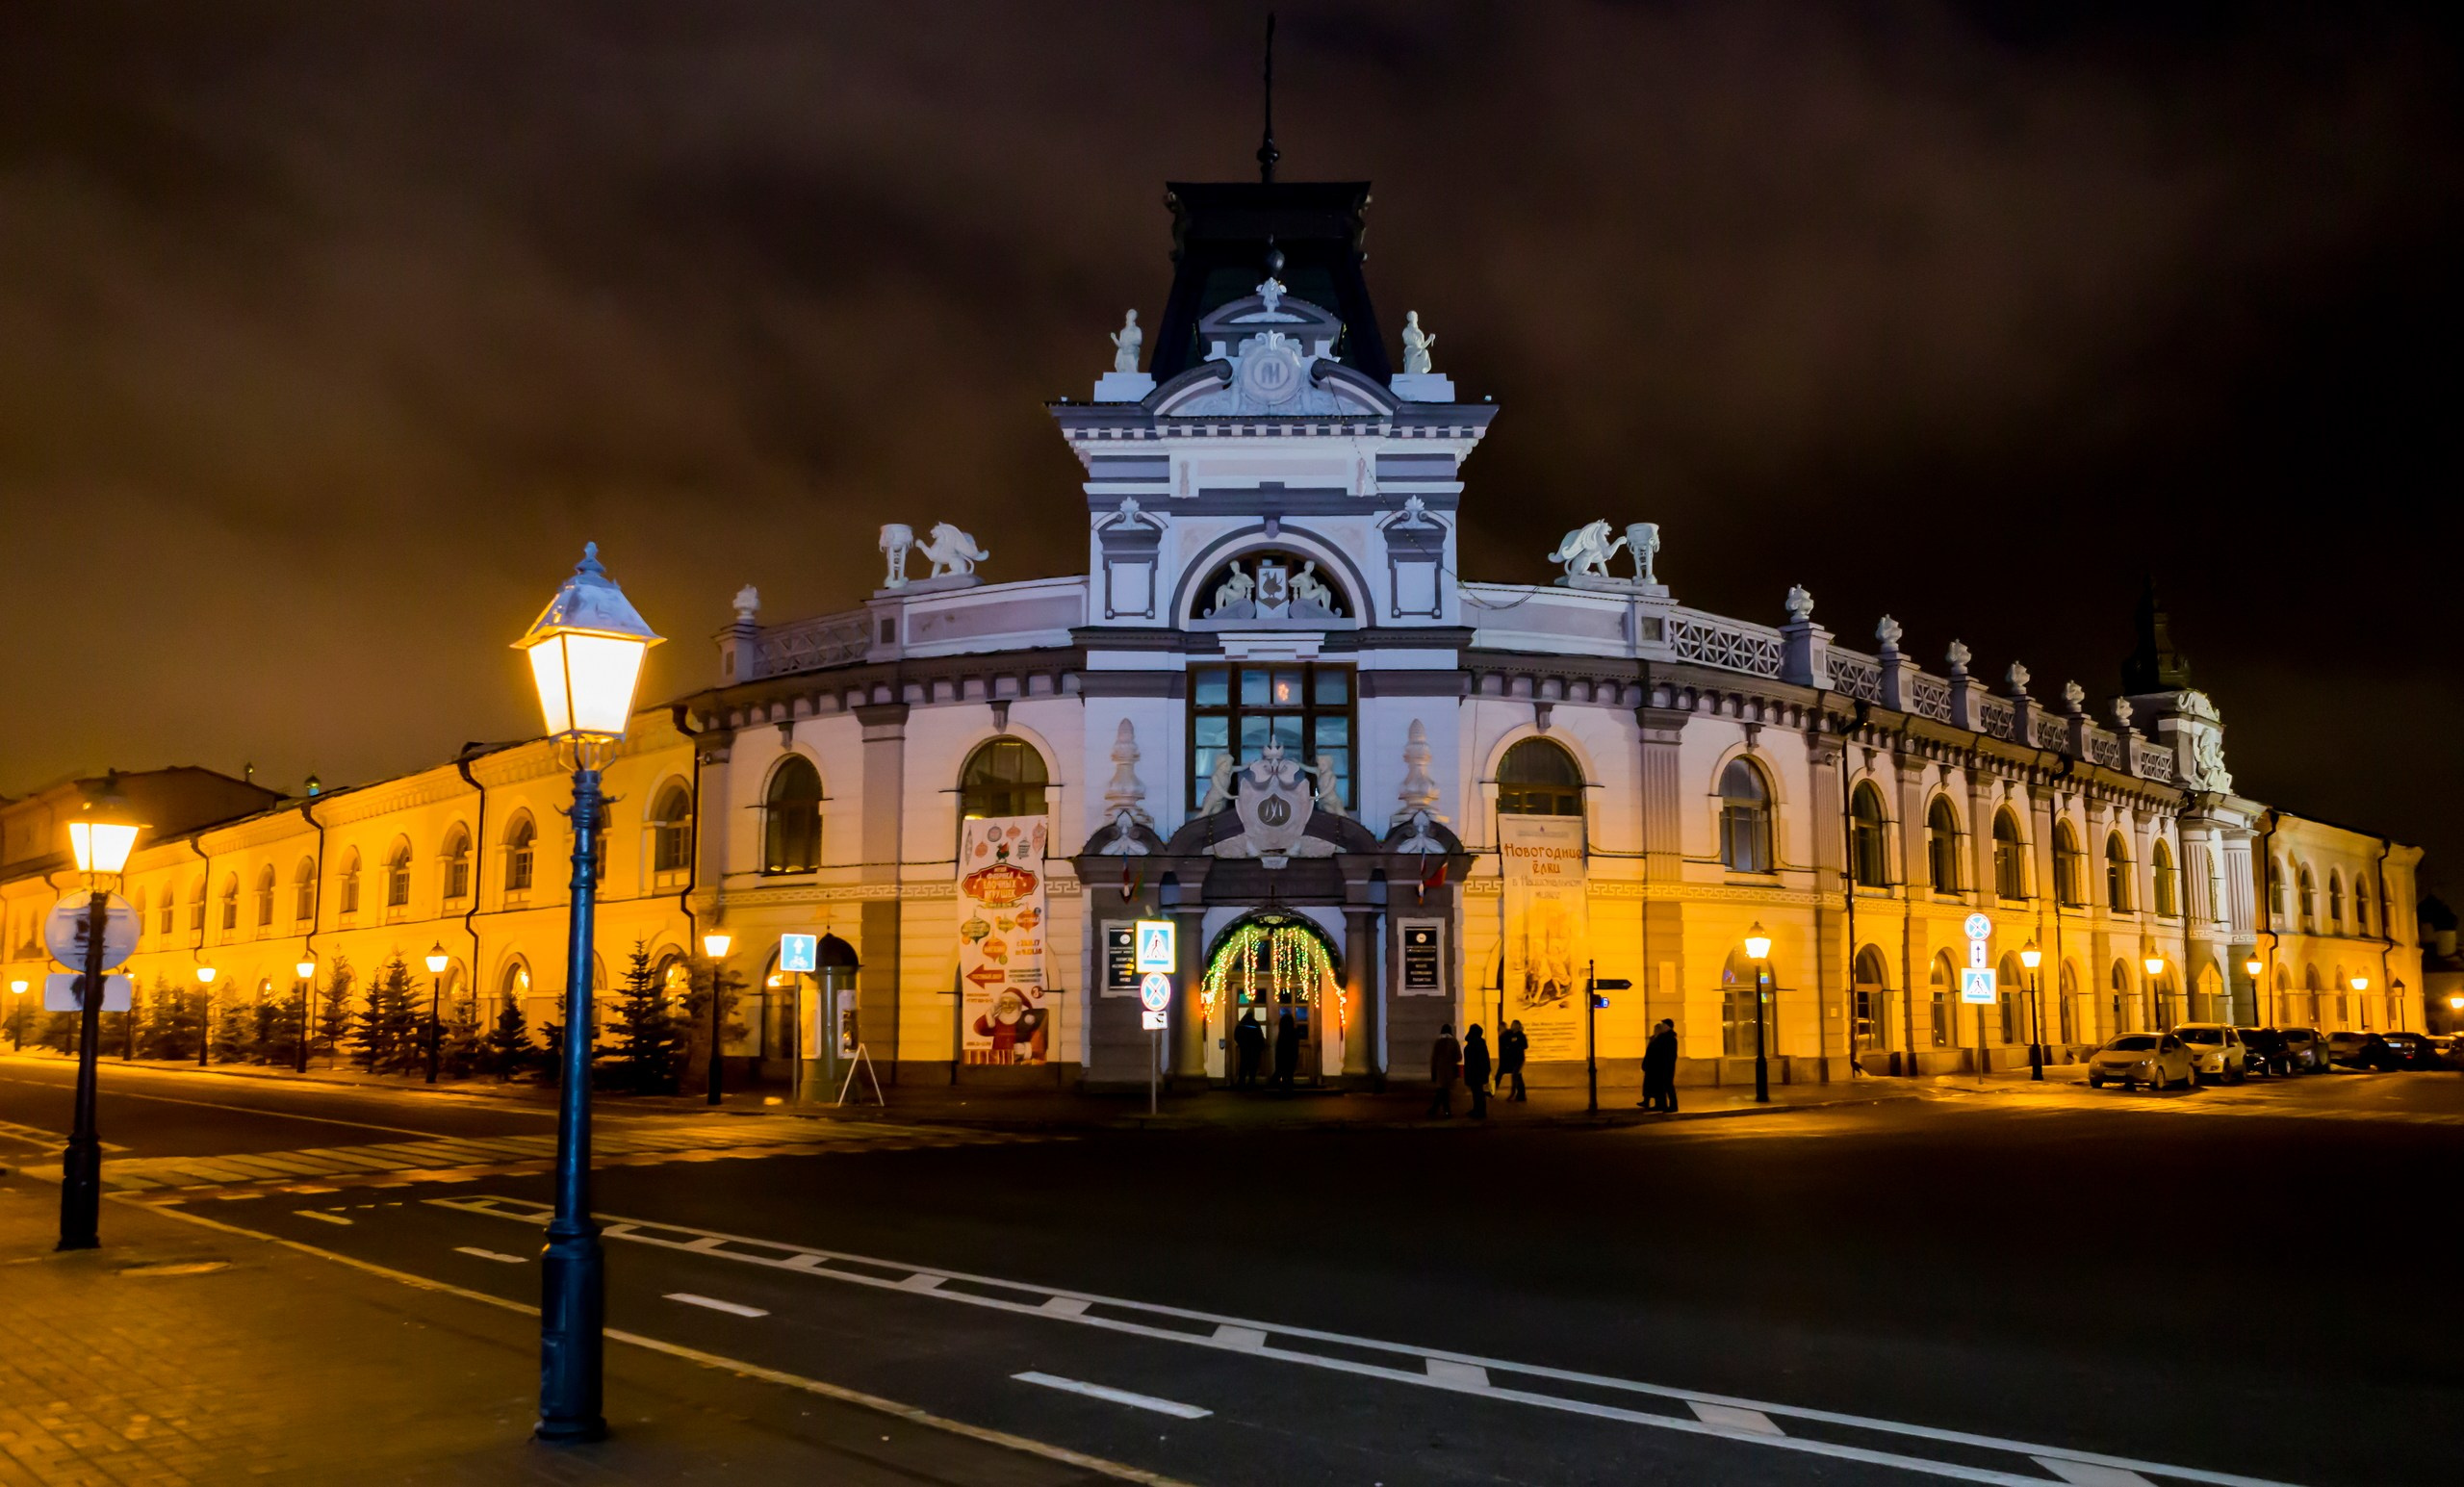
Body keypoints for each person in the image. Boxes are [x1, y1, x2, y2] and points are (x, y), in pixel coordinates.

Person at [1639, 1017, 1680, 1113]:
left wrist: (1665, 1065)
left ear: (1668, 1027)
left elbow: (1670, 1055)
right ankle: (1661, 1105)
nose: (1662, 1026)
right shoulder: (1662, 1037)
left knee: (1668, 1086)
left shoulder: (1670, 1039)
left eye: (1664, 1025)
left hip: (1666, 1067)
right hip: (1659, 1067)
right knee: (1660, 1087)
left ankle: (1673, 1106)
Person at [1427, 1023, 1460, 1116]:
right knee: (1444, 1091)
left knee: (1442, 1091)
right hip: (1450, 1071)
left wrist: (1433, 1072)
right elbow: (1458, 1056)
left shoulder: (1438, 1042)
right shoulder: (1454, 1042)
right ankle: (1444, 1111)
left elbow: (1434, 1058)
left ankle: (1436, 1110)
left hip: (1440, 1071)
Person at [1463, 1024, 1492, 1118]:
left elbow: (1481, 1059)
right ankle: (1478, 1110)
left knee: (1478, 1092)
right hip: (1477, 1071)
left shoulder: (1475, 1043)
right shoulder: (1479, 1042)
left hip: (1475, 1072)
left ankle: (1479, 1111)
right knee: (1477, 1092)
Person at [1233, 1010, 1266, 1090]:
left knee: (1243, 1065)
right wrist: (1261, 1046)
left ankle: (1241, 1082)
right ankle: (1252, 1082)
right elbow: (1259, 1036)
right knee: (1253, 1066)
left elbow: (1236, 1035)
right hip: (1254, 1049)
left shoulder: (1241, 1023)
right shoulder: (1255, 1024)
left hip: (1244, 1048)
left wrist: (1241, 1044)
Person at [1498, 1019, 1528, 1102]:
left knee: (1515, 1075)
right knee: (1518, 1076)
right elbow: (1506, 1040)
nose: (1512, 1026)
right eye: (1512, 1024)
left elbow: (1525, 1046)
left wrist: (1516, 1045)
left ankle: (1513, 1093)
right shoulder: (1510, 1034)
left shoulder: (1521, 1035)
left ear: (1518, 1026)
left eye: (1514, 1025)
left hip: (1519, 1059)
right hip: (1513, 1059)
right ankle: (1521, 1095)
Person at [1271, 1005, 1300, 1090]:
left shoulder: (1282, 1033)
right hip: (1291, 1056)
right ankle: (1288, 1089)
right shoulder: (1294, 1032)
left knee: (1282, 1074)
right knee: (1289, 1074)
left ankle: (1280, 1088)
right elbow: (1295, 1046)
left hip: (1282, 1056)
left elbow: (1280, 1047)